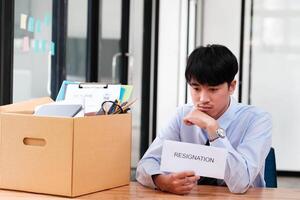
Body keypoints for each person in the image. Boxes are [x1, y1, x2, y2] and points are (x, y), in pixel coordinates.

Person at [136, 44, 272, 194]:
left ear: (232, 86)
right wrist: (163, 182)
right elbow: (145, 165)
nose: (203, 98)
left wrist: (213, 128)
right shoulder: (182, 115)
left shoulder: (257, 120)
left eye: (213, 89)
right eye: (196, 88)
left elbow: (240, 184)